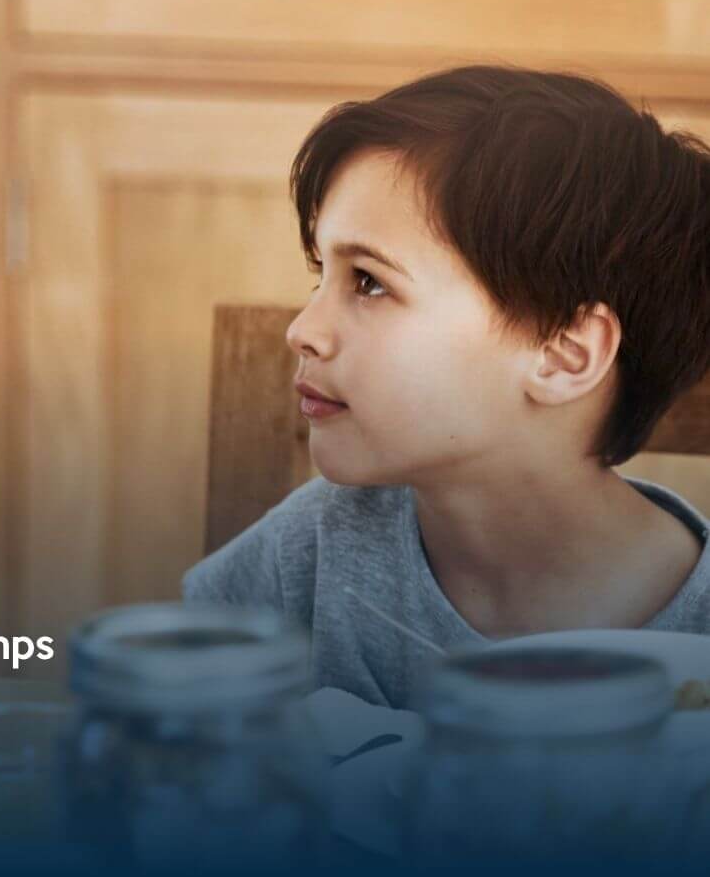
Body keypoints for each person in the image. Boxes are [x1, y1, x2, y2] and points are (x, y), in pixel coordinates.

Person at [185, 66, 710, 707]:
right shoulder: (308, 556)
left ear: (564, 354)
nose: (303, 330)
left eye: (370, 283)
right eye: (322, 273)